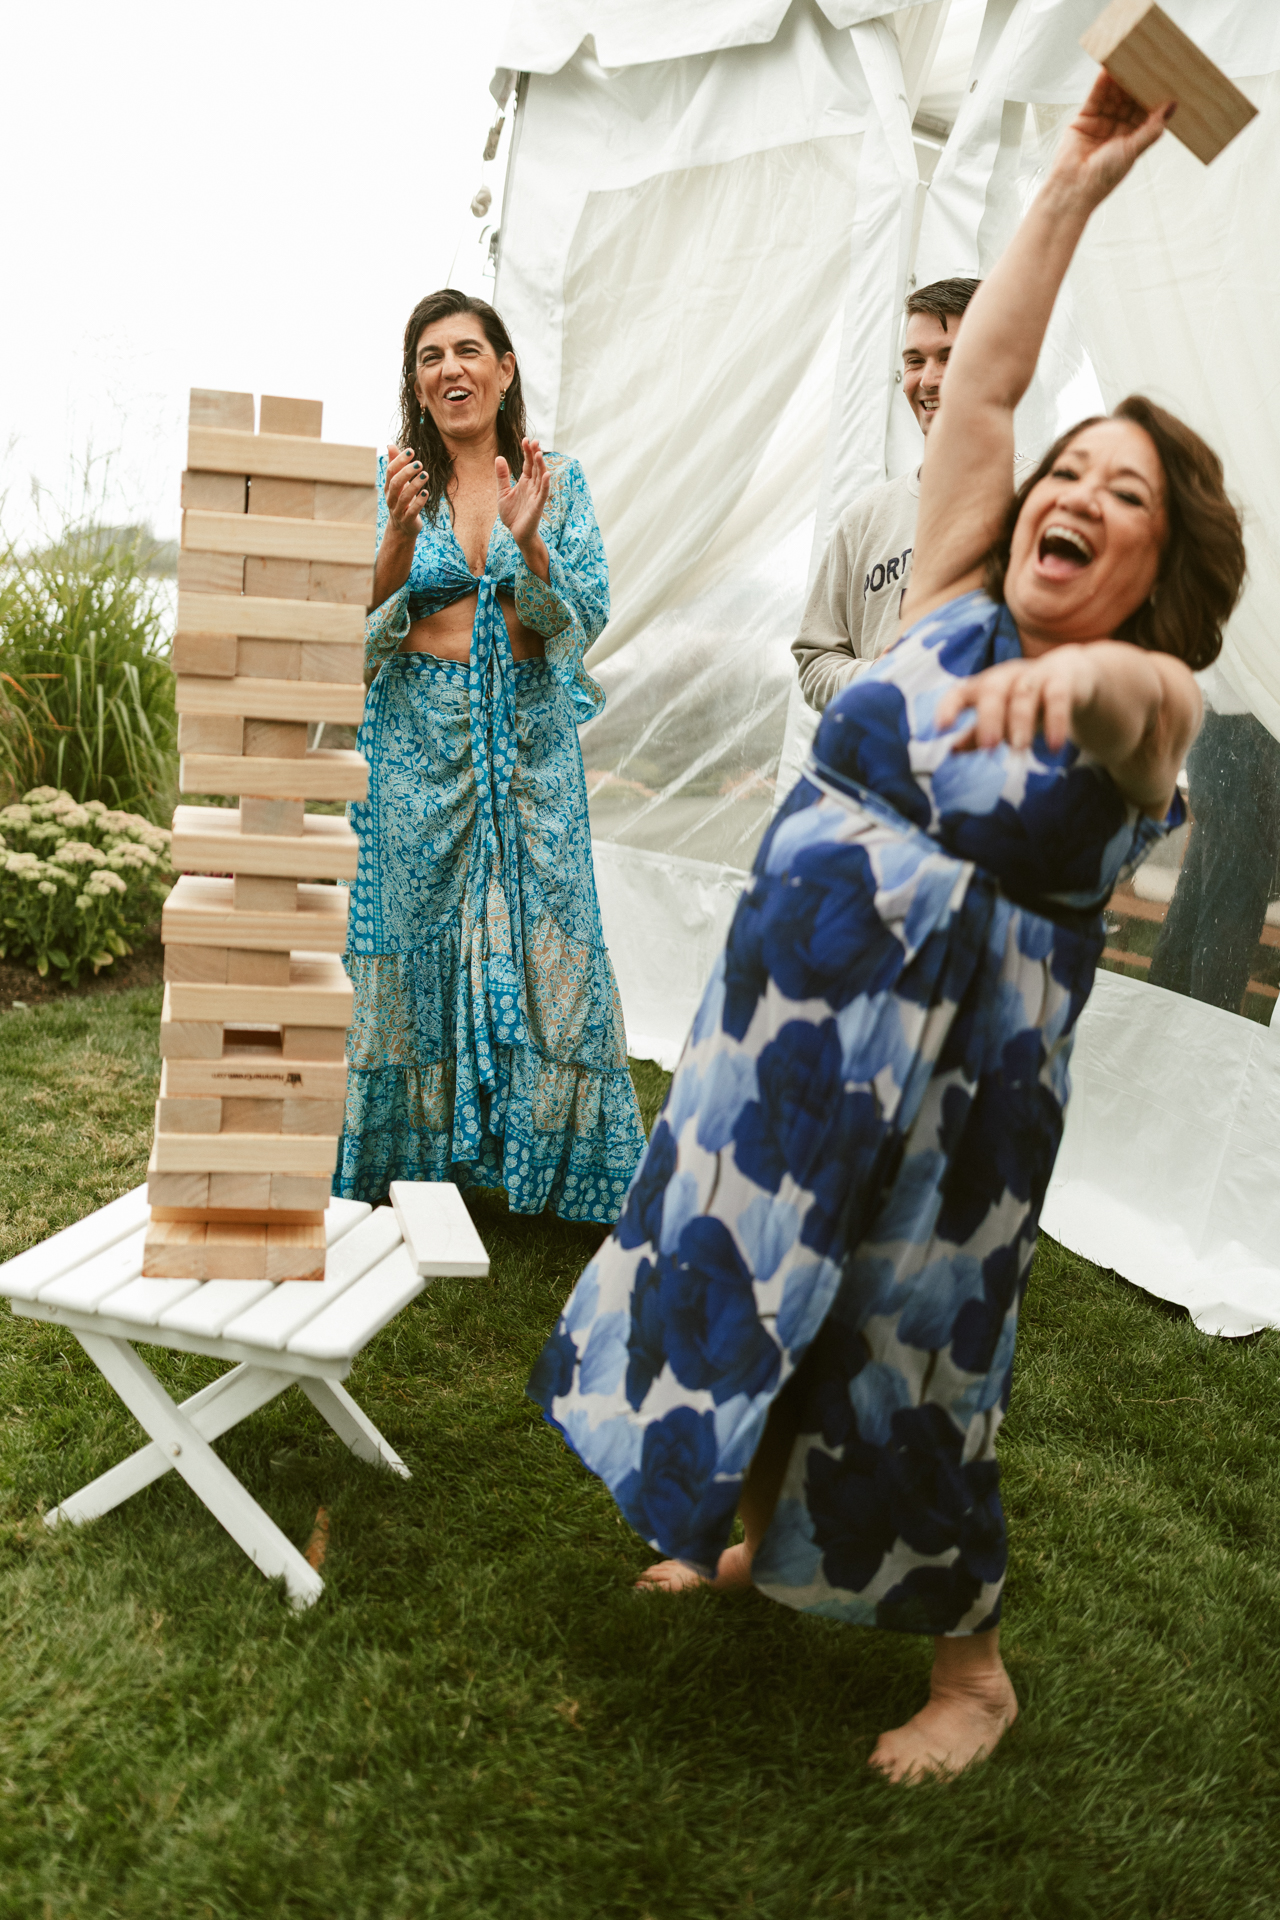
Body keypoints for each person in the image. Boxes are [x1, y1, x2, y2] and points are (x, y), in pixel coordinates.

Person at [528, 77, 1247, 1781]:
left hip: (947, 1101)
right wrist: (1071, 178)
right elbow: (983, 382)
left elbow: (1152, 718)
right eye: (1070, 469)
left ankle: (970, 1674)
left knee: (908, 1361)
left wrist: (1086, 681)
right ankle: (735, 1528)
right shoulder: (946, 595)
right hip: (776, 1047)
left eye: (1126, 495)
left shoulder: (1148, 702)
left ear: (1161, 566)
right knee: (735, 1277)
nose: (1079, 492)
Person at [335, 290, 646, 1220]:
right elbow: (351, 624)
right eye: (430, 357)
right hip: (416, 744)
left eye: (468, 351)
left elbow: (581, 615)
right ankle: (407, 1159)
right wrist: (397, 538)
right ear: (416, 384)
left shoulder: (560, 480)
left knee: (554, 933)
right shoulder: (395, 482)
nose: (450, 370)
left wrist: (529, 542)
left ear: (504, 369)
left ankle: (558, 1167)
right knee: (410, 936)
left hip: (528, 741)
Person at [792, 277, 1031, 713]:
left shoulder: (1047, 497)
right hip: (886, 759)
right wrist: (880, 677)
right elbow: (816, 660)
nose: (928, 380)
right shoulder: (864, 521)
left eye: (950, 357)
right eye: (915, 361)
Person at [1147, 686, 1280, 1014]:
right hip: (1244, 729)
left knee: (1200, 901)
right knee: (1231, 906)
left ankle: (1161, 1022)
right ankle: (1203, 1034)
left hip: (1224, 728)